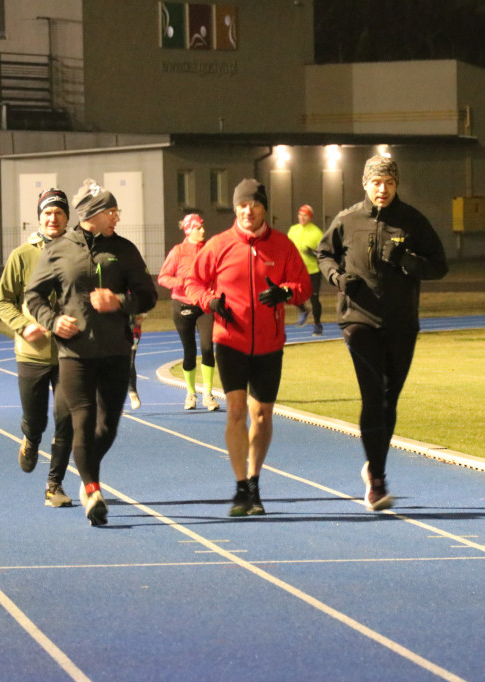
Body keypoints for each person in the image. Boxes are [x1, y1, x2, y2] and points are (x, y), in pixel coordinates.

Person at [317, 156, 448, 511]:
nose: (382, 189)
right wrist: (337, 279)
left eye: (389, 182)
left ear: (396, 184)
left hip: (401, 322)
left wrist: (409, 262)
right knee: (373, 396)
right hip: (358, 320)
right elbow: (324, 255)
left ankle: (375, 463)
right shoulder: (347, 219)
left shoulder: (412, 221)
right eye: (376, 182)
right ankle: (376, 481)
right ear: (365, 184)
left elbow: (440, 266)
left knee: (390, 399)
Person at [25, 178, 158, 526]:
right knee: (81, 420)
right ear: (92, 214)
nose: (116, 217)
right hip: (75, 354)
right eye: (111, 211)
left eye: (116, 212)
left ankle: (87, 476)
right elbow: (33, 297)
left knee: (108, 426)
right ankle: (92, 490)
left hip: (115, 351)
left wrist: (120, 301)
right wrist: (53, 322)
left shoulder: (125, 250)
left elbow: (149, 296)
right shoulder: (57, 250)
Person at [185, 179, 311, 517]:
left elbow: (303, 285)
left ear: (263, 208)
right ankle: (241, 488)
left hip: (269, 343)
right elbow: (192, 282)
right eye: (242, 205)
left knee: (262, 414)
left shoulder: (283, 246)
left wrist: (286, 292)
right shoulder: (218, 245)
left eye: (254, 205)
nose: (248, 211)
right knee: (237, 410)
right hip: (230, 340)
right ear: (236, 208)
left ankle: (255, 481)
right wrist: (209, 300)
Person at [0, 188, 75, 508]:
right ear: (39, 217)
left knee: (66, 419)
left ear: (67, 217)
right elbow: (3, 300)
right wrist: (24, 326)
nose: (53, 218)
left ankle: (54, 485)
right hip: (33, 353)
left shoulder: (80, 252)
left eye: (59, 213)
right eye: (47, 213)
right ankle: (30, 438)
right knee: (36, 419)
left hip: (71, 354)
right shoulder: (22, 255)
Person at [157, 213, 218, 411]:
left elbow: (217, 274)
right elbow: (163, 277)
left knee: (208, 347)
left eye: (202, 226)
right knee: (189, 352)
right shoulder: (178, 251)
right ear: (189, 230)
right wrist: (182, 282)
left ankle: (208, 394)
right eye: (198, 227)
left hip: (204, 305)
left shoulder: (209, 249)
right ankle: (191, 394)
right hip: (182, 305)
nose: (203, 230)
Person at [287, 204, 324, 335]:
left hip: (313, 271)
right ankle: (303, 310)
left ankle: (317, 324)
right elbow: (287, 248)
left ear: (310, 217)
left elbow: (324, 254)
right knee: (290, 294)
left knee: (314, 299)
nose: (302, 217)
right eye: (300, 215)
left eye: (305, 215)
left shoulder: (317, 233)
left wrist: (312, 253)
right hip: (296, 271)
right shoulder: (293, 230)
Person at [127, 313, 145, 409]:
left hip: (131, 328)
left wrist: (142, 313)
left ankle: (132, 392)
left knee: (130, 361)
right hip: (108, 328)